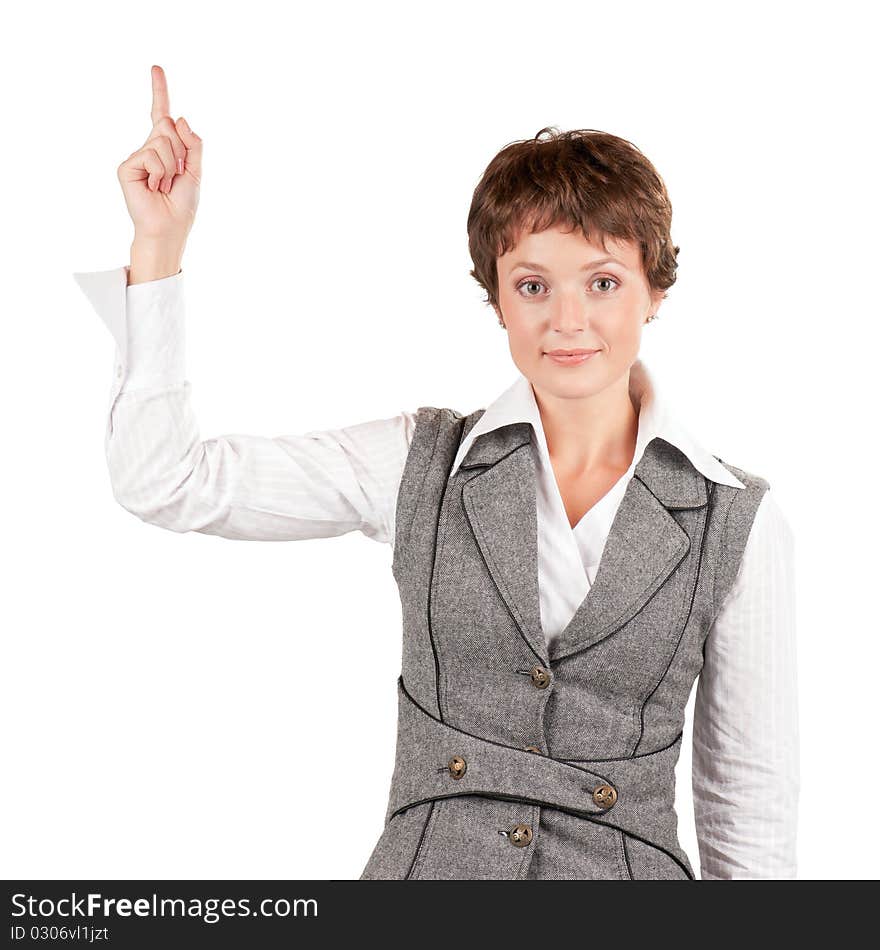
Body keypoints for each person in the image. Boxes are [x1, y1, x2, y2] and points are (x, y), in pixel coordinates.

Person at [74, 64, 799, 880]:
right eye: (532, 285)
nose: (568, 321)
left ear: (655, 290)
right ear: (496, 297)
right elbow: (164, 479)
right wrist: (158, 249)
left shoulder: (737, 520)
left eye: (603, 282)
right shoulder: (420, 463)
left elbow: (749, 809)